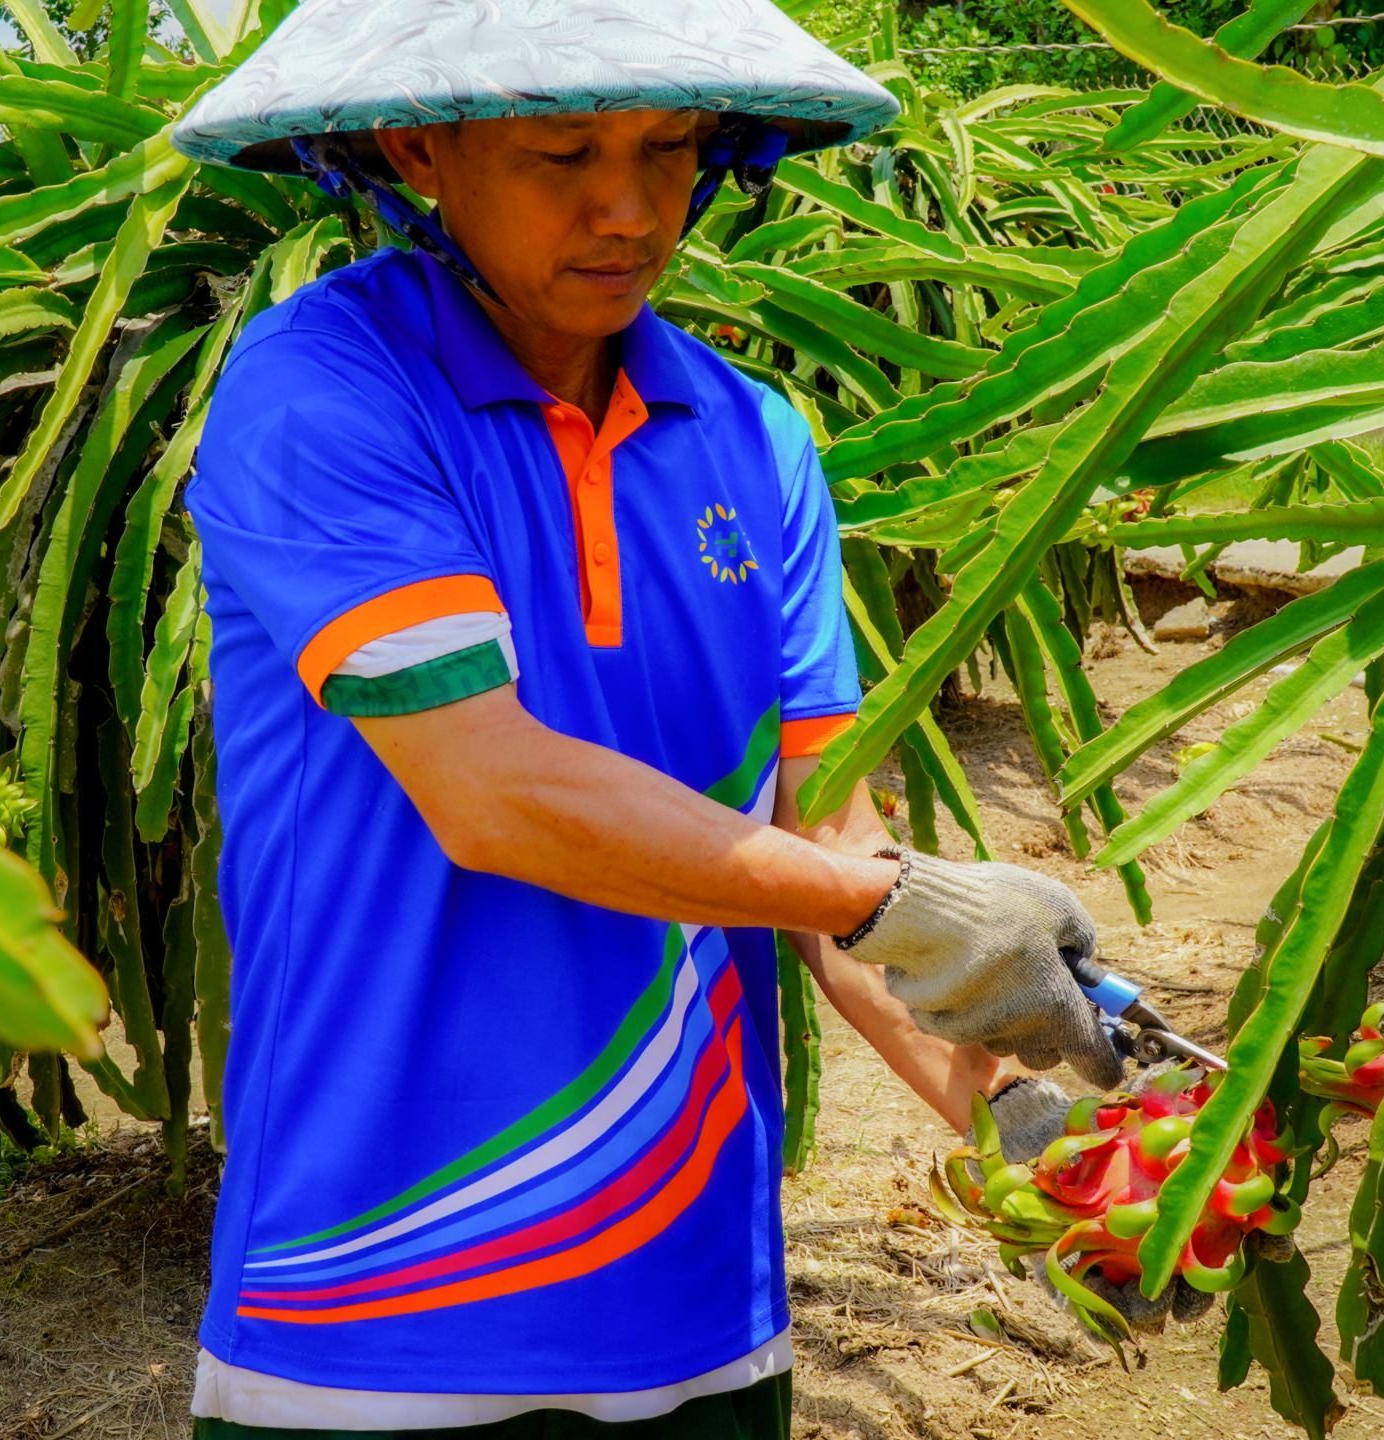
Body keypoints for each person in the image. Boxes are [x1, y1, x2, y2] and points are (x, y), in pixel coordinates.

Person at [166, 2, 1122, 1434]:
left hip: (698, 1318)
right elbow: (491, 790)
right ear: (419, 144)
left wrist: (1016, 1128)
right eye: (562, 153)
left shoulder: (754, 438)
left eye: (671, 148)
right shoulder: (324, 395)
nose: (628, 209)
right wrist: (900, 901)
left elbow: (821, 851)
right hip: (370, 1312)